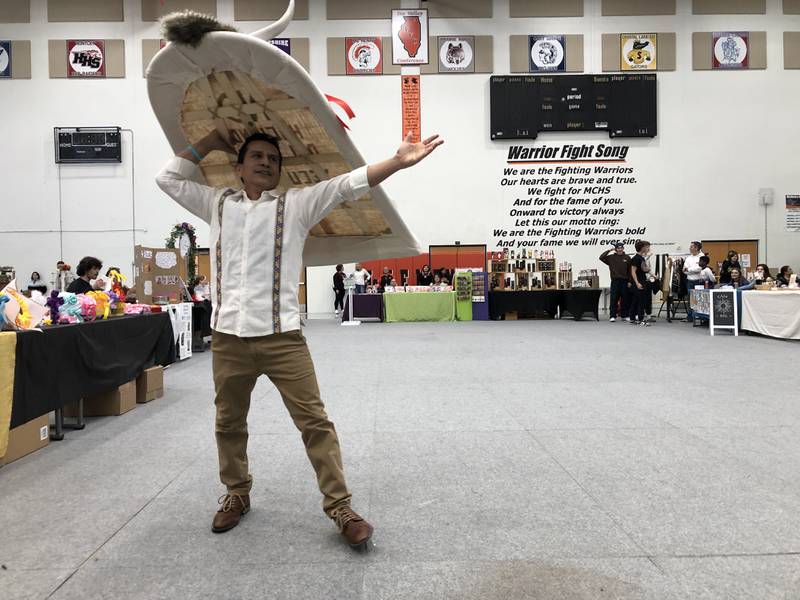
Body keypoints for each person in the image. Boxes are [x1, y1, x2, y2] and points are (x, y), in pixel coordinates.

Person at [156, 128, 442, 547]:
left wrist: (397, 162)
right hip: (228, 339)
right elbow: (168, 179)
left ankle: (340, 507)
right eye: (256, 156)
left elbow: (348, 184)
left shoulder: (296, 205)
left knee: (315, 423)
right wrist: (212, 140)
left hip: (283, 337)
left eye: (273, 158)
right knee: (228, 422)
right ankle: (237, 494)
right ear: (238, 167)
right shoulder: (216, 203)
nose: (265, 162)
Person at [599, 243, 631, 322]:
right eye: (618, 248)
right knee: (614, 299)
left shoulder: (627, 257)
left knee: (625, 299)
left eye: (621, 248)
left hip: (624, 281)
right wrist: (609, 250)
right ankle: (612, 316)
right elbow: (601, 257)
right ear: (616, 249)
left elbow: (630, 271)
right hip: (615, 281)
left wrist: (630, 281)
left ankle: (624, 315)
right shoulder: (611, 258)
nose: (620, 249)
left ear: (623, 248)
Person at [629, 240, 651, 327]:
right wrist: (637, 283)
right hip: (639, 282)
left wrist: (648, 269)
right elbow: (633, 271)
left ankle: (632, 318)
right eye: (646, 247)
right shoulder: (636, 258)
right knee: (641, 301)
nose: (648, 248)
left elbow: (643, 269)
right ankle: (641, 319)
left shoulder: (641, 258)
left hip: (641, 281)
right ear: (642, 248)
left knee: (635, 300)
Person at [683, 241, 705, 321]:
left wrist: (688, 269)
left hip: (699, 281)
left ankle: (700, 316)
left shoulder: (702, 257)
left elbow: (699, 269)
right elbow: (684, 270)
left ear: (696, 248)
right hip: (689, 281)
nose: (689, 248)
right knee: (690, 299)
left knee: (699, 299)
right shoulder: (689, 258)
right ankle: (690, 317)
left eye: (691, 247)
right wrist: (689, 270)